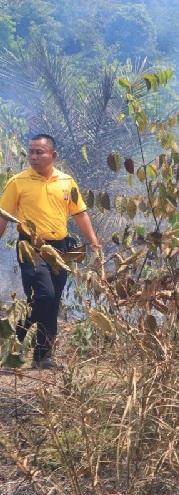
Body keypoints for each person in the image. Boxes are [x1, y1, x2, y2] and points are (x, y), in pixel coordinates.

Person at [0, 134, 101, 369]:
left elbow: (80, 213)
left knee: (53, 301)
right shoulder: (17, 182)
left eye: (39, 152)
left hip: (60, 249)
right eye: (31, 152)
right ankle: (16, 337)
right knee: (43, 295)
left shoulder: (66, 182)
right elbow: (3, 216)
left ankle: (42, 357)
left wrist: (94, 243)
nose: (33, 157)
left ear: (53, 155)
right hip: (30, 247)